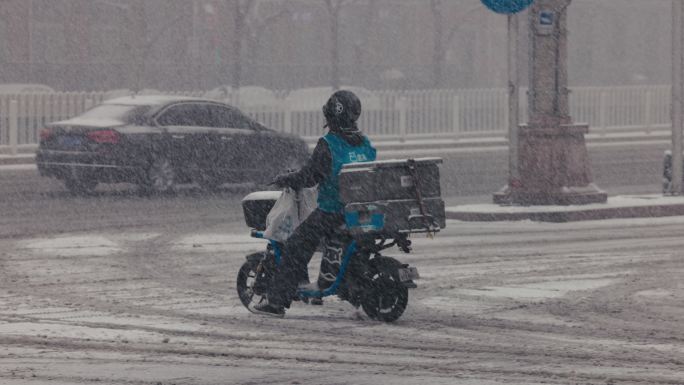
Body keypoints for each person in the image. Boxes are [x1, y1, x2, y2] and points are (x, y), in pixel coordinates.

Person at [252, 90, 377, 317]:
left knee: (296, 245)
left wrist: (287, 179)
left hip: (334, 212)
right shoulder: (365, 144)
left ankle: (276, 302)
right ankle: (345, 286)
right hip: (362, 213)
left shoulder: (329, 144)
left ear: (332, 115)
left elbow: (310, 177)